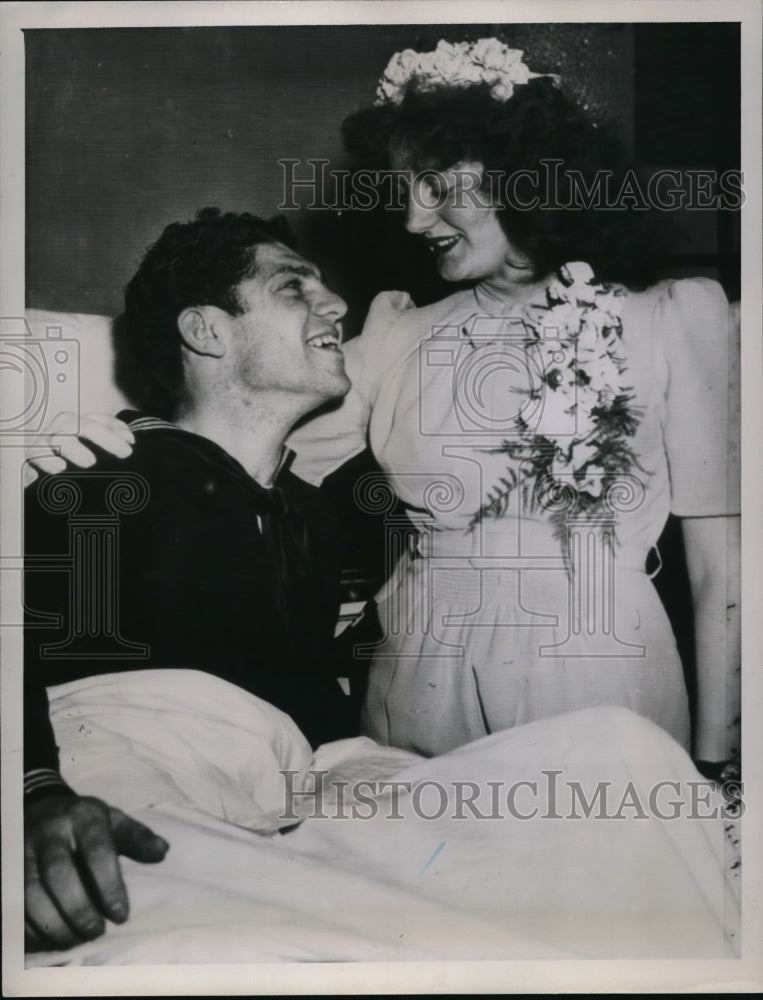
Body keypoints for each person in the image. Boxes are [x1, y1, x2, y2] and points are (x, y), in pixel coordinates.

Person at [30, 40, 741, 768]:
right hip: (415, 674)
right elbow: (235, 440)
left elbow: (722, 570)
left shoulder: (672, 318)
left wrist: (721, 765)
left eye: (433, 185)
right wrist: (113, 443)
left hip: (594, 667)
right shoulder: (397, 330)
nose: (409, 220)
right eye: (402, 190)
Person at [23, 208, 356, 951]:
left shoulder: (313, 516)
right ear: (206, 331)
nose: (336, 305)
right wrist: (32, 794)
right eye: (294, 287)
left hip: (276, 793)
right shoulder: (105, 475)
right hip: (125, 776)